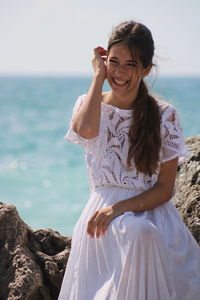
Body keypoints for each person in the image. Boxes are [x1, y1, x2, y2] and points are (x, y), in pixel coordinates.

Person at [58, 20, 200, 300]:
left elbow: (165, 188)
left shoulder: (165, 115)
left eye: (131, 64)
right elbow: (85, 130)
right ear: (103, 61)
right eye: (114, 62)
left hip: (153, 219)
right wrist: (98, 76)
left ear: (146, 69)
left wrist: (118, 209)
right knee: (134, 234)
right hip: (99, 221)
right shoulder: (89, 103)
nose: (119, 72)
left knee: (139, 233)